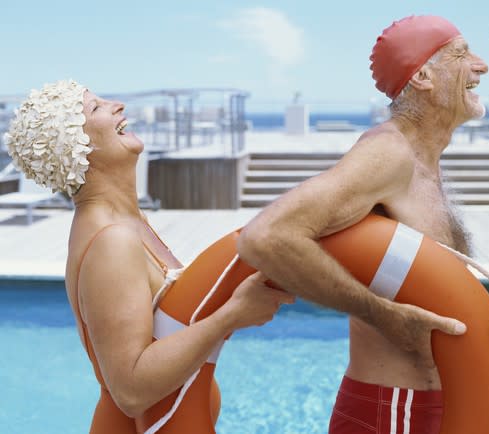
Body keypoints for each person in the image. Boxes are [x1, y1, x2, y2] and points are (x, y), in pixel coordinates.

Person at [237, 15, 488, 433]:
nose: (481, 65)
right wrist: (385, 317)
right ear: (423, 76)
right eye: (462, 54)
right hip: (394, 410)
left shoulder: (423, 160)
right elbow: (267, 236)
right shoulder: (388, 154)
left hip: (419, 408)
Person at [4, 79, 294, 433]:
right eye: (96, 107)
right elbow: (130, 390)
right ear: (74, 150)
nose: (117, 104)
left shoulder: (128, 221)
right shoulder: (111, 241)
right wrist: (232, 316)